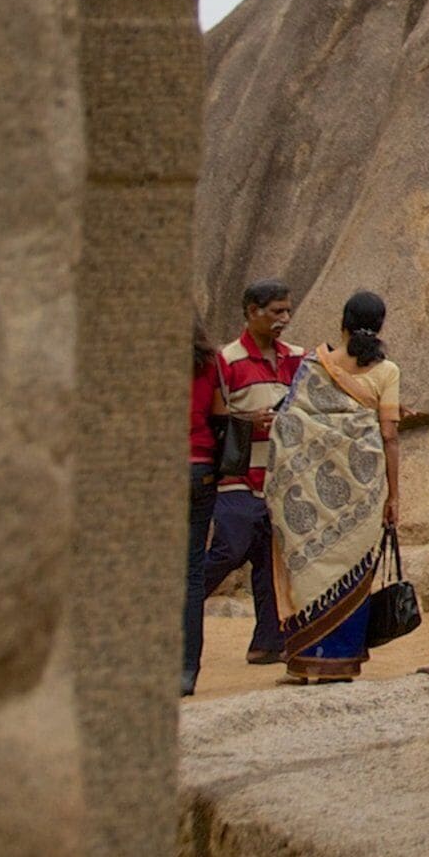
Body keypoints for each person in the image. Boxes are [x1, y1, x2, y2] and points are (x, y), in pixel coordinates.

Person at [262, 291, 400, 682]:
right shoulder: (387, 372)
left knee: (312, 568)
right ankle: (340, 660)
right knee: (351, 568)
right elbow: (388, 437)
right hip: (363, 494)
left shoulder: (312, 366)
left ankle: (306, 661)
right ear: (381, 326)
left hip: (308, 490)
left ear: (342, 321)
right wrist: (394, 494)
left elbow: (288, 425)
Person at [186, 279, 301, 694]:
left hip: (281, 478)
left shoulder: (297, 359)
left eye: (287, 311)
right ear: (251, 311)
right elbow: (216, 416)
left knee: (270, 560)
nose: (283, 320)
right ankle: (179, 609)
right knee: (229, 547)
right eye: (275, 312)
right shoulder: (226, 360)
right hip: (237, 476)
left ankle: (268, 643)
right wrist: (248, 423)